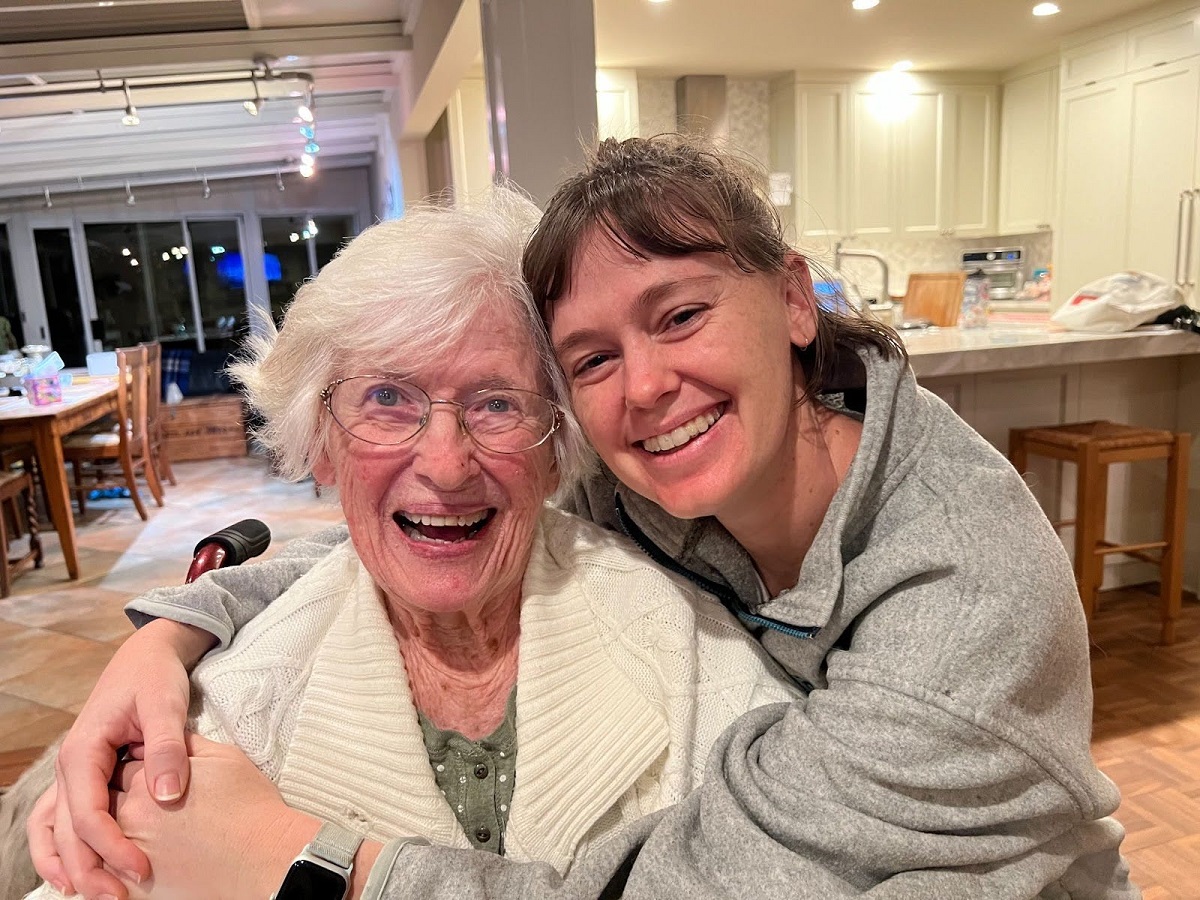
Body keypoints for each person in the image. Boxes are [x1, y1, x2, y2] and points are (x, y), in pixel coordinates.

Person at [31, 135, 1137, 899]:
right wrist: (172, 631)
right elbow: (401, 533)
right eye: (593, 358)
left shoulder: (961, 603)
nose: (646, 388)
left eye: (684, 314)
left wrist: (304, 863)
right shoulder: (655, 480)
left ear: (797, 299)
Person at [17, 184, 799, 899]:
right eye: (387, 400)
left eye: (498, 404)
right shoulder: (235, 699)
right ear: (320, 440)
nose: (447, 464)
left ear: (558, 443)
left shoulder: (685, 648)